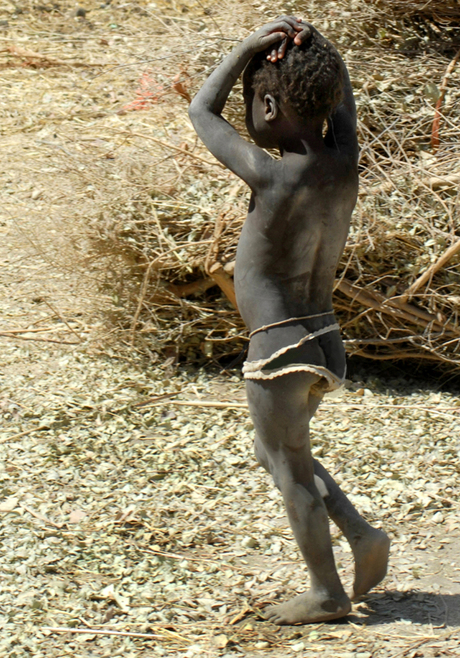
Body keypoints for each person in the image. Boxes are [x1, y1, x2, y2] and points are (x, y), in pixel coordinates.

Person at [188, 16, 390, 625]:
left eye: (256, 99)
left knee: (289, 470)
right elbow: (344, 101)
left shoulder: (271, 174)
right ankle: (358, 531)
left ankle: (327, 592)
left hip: (278, 346)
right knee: (276, 451)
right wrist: (325, 55)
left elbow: (202, 111)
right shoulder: (344, 160)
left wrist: (248, 47)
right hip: (325, 339)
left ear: (269, 103)